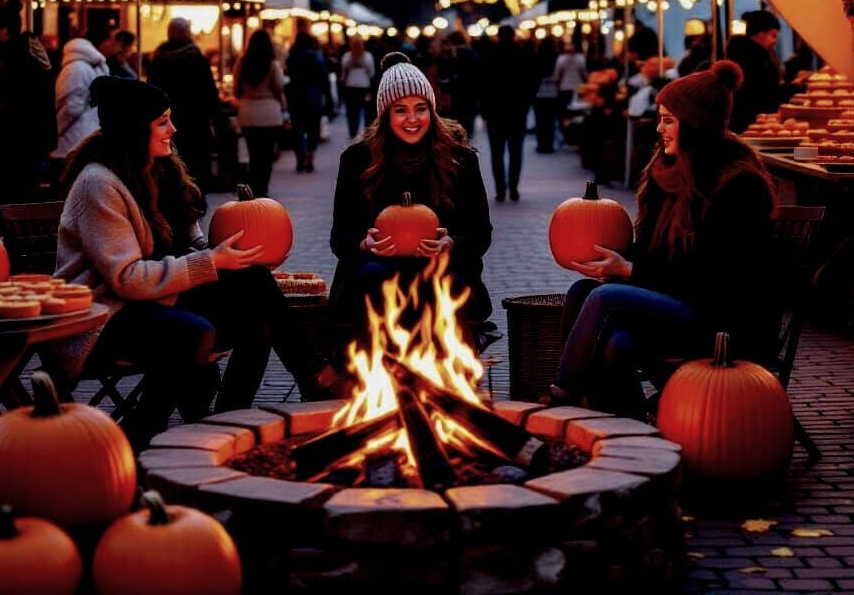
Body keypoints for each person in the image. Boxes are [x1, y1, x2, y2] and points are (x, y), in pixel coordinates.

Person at [53, 76, 339, 449]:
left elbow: (194, 244)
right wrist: (212, 262)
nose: (173, 128)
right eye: (162, 122)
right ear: (134, 128)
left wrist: (233, 258)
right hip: (104, 318)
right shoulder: (99, 184)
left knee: (254, 288)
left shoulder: (163, 172)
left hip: (159, 300)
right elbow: (128, 279)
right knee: (194, 332)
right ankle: (138, 436)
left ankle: (232, 417)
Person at [546, 60, 778, 419]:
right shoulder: (666, 172)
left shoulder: (739, 184)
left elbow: (717, 273)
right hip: (675, 302)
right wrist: (618, 261)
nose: (659, 128)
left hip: (722, 317)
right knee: (597, 315)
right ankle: (632, 427)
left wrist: (631, 270)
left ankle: (562, 398)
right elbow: (654, 251)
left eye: (669, 119)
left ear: (696, 123)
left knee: (607, 295)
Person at [329, 52, 493, 338]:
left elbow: (480, 233)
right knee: (374, 279)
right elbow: (339, 237)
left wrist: (451, 242)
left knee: (442, 283)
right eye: (400, 110)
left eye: (420, 108)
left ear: (432, 109)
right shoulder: (357, 159)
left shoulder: (461, 158)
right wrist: (364, 243)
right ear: (384, 114)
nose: (413, 119)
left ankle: (437, 368)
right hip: (377, 266)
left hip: (441, 265)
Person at [0, 0, 57, 208]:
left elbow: (19, 111)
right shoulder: (10, 57)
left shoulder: (19, 61)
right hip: (15, 152)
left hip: (17, 153)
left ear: (5, 31)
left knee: (13, 207)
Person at [147, 18, 223, 191]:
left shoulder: (158, 60)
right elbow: (210, 94)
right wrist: (218, 120)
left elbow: (152, 92)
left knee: (170, 166)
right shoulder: (197, 60)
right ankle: (196, 201)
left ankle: (173, 202)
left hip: (167, 123)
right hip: (196, 122)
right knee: (197, 167)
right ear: (187, 33)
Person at [479, 25, 538, 202]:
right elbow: (533, 81)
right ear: (513, 36)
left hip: (495, 112)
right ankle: (513, 187)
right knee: (515, 151)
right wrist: (526, 104)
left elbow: (482, 86)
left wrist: (484, 110)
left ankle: (500, 189)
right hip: (517, 111)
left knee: (496, 153)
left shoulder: (489, 55)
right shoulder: (523, 55)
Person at [234, 29, 286, 197]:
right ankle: (263, 190)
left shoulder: (242, 63)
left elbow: (236, 89)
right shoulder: (272, 64)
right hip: (269, 114)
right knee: (267, 155)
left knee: (253, 154)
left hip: (248, 113)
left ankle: (254, 189)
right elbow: (279, 87)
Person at [725, 9, 787, 133]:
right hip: (750, 122)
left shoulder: (755, 54)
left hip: (749, 119)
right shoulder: (753, 58)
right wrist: (795, 86)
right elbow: (766, 93)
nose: (775, 40)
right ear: (760, 34)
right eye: (773, 35)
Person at [52, 32, 109, 161]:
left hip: (72, 139)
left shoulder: (74, 69)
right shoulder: (95, 67)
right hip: (89, 134)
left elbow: (72, 107)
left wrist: (55, 131)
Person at [285, 29, 331, 172]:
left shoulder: (291, 57)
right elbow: (324, 77)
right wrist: (327, 95)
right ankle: (310, 157)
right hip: (313, 95)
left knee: (297, 129)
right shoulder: (316, 56)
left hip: (295, 95)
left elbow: (287, 75)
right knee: (313, 128)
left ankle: (300, 158)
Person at [338, 35, 375, 140]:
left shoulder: (346, 56)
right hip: (364, 86)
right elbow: (372, 73)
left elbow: (342, 72)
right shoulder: (368, 57)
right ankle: (366, 133)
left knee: (352, 111)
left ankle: (353, 132)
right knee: (366, 111)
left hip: (350, 86)